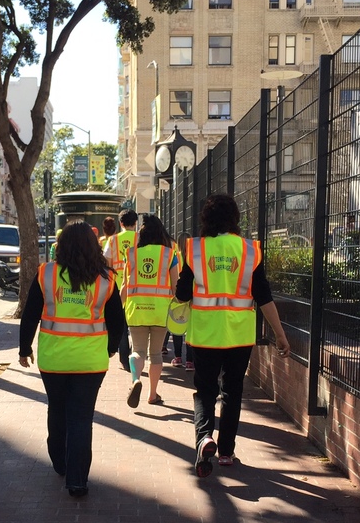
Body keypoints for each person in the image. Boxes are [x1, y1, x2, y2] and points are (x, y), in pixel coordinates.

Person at [176, 193, 291, 478]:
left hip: (205, 334)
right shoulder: (250, 251)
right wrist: (280, 334)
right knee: (233, 391)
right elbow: (263, 295)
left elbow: (182, 293)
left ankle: (204, 438)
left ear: (206, 219)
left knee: (205, 391)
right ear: (235, 218)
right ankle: (226, 451)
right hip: (239, 334)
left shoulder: (195, 250)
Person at [19, 221, 125, 498]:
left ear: (61, 245)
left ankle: (59, 461)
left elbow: (30, 314)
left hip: (53, 358)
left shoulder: (47, 274)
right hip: (91, 360)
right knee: (81, 418)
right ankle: (77, 480)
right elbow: (117, 322)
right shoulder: (106, 278)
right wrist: (111, 349)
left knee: (57, 409)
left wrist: (24, 349)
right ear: (94, 247)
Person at [122, 214, 179, 408]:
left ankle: (136, 380)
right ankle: (152, 394)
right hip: (160, 311)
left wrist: (118, 309)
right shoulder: (169, 255)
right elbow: (175, 287)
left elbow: (124, 287)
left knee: (137, 351)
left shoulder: (131, 255)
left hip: (136, 309)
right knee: (155, 354)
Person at [103, 209, 138, 370]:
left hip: (117, 286)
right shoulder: (141, 238)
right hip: (137, 285)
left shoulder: (113, 240)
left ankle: (124, 355)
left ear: (121, 223)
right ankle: (138, 353)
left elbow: (107, 263)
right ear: (135, 223)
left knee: (121, 321)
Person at [168, 232, 194, 371]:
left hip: (178, 294)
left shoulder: (175, 255)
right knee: (190, 328)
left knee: (177, 326)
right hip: (191, 295)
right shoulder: (193, 257)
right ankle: (190, 361)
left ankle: (177, 357)